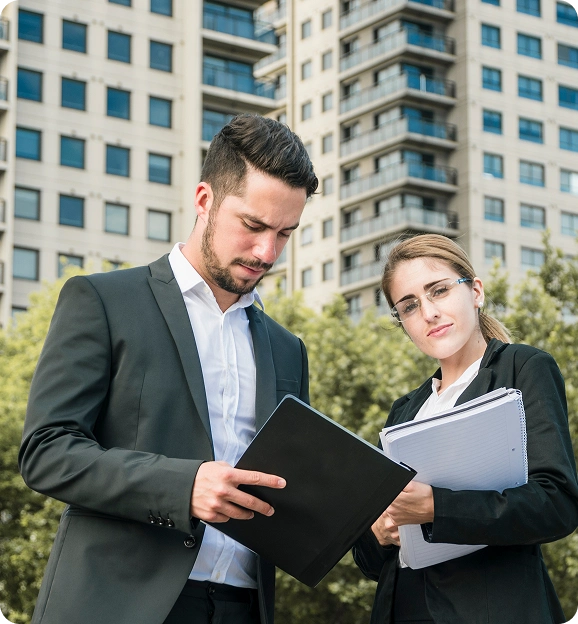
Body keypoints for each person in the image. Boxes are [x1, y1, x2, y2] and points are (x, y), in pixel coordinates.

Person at [19, 114, 318, 624]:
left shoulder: (288, 349)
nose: (267, 252)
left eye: (285, 234)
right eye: (253, 226)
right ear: (204, 200)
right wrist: (184, 487)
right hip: (118, 604)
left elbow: (288, 487)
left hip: (244, 608)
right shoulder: (102, 300)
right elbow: (47, 451)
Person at [353, 234, 578, 624]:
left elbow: (557, 503)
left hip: (489, 609)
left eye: (438, 291)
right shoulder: (403, 412)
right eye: (409, 306)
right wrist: (380, 530)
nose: (428, 313)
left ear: (475, 291)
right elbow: (370, 563)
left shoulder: (522, 368)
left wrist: (435, 507)